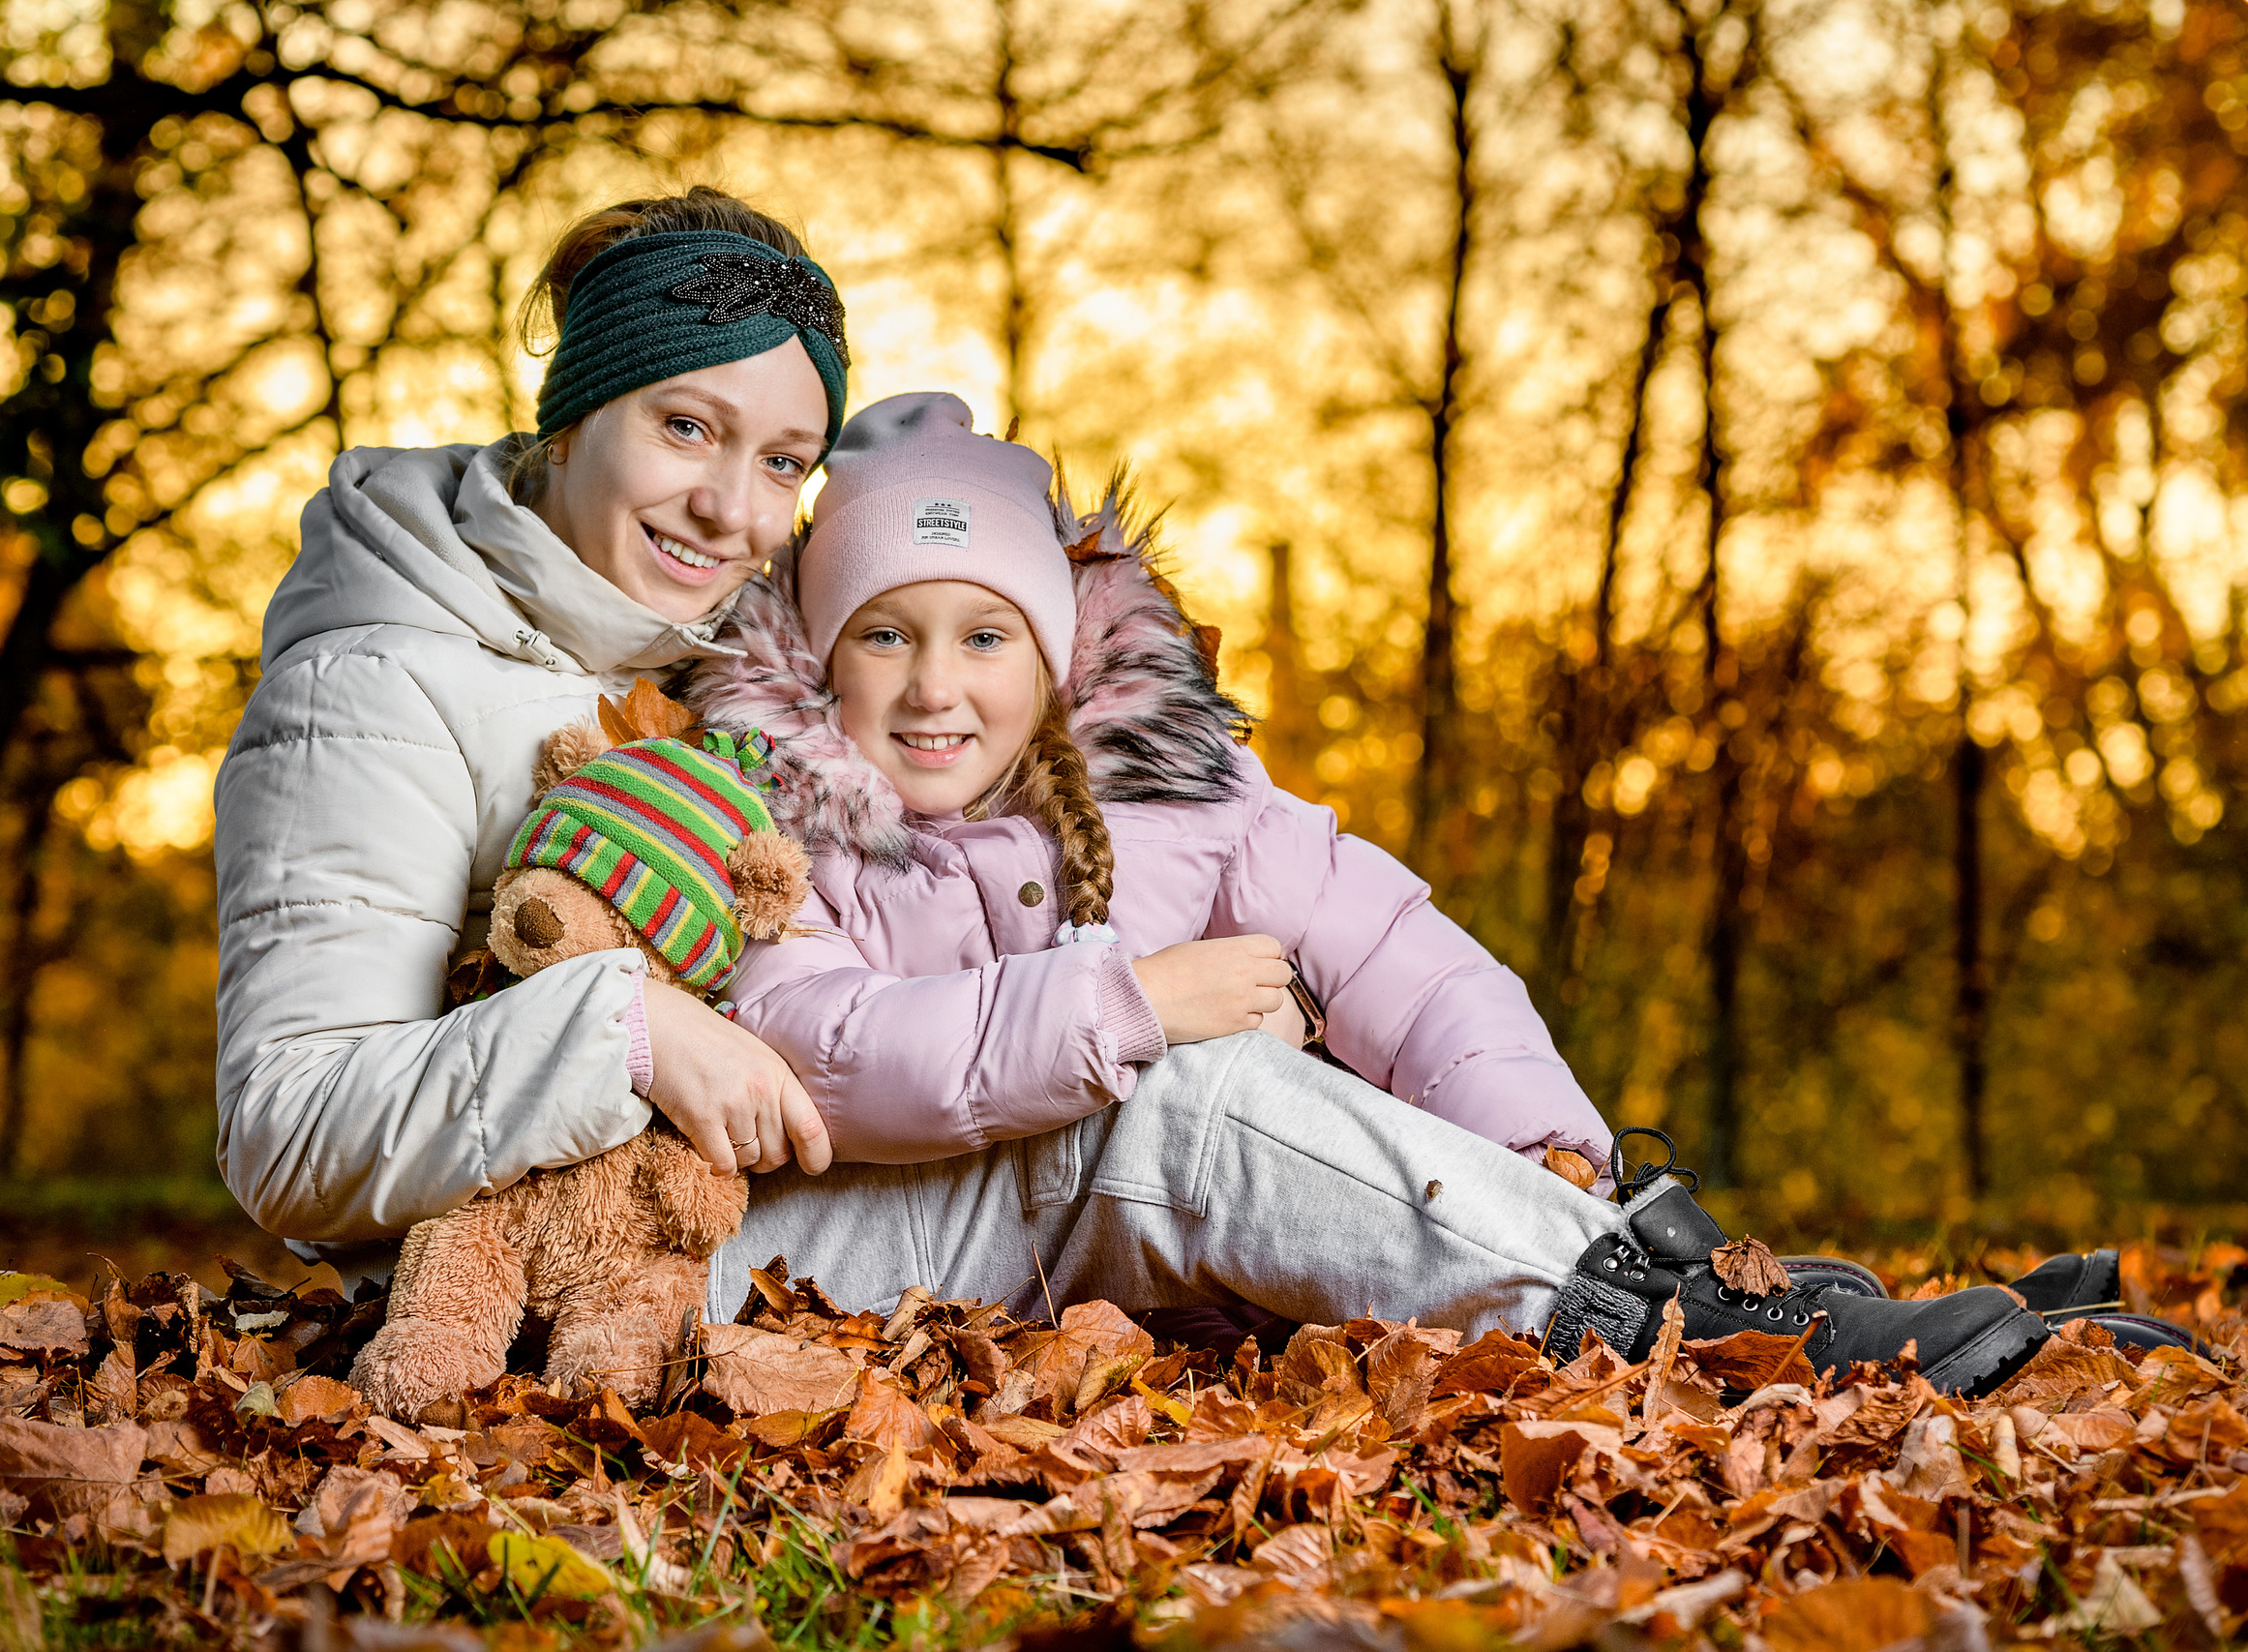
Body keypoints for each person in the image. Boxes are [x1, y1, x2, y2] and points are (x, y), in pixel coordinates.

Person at [682, 392, 2059, 1393]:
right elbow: (826, 1051)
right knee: (1184, 1089)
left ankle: (1651, 1262)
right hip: (878, 1239)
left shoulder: (1182, 799)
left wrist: (1549, 1146)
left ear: (1049, 661)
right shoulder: (766, 824)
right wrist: (1132, 1004)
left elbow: (1413, 962)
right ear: (820, 659)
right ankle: (1663, 1320)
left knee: (1292, 1075)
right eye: (885, 633)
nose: (934, 684)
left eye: (984, 633)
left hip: (1099, 1251)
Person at [213, 188, 845, 1285]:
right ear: (571, 419)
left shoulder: (755, 678)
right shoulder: (373, 683)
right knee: (1182, 1131)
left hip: (802, 1194)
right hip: (535, 1283)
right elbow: (291, 1132)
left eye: (785, 462)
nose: (732, 509)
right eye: (686, 427)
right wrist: (623, 1032)